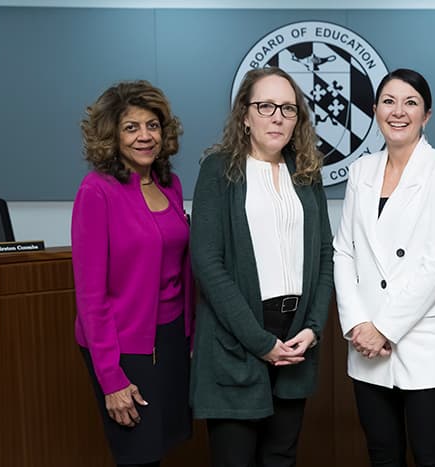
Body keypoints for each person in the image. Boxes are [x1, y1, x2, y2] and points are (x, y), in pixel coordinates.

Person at [189, 66, 333, 467]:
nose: (277, 116)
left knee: (281, 458)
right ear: (245, 115)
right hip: (239, 344)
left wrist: (313, 328)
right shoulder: (219, 170)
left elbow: (324, 255)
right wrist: (260, 342)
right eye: (265, 105)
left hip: (296, 343)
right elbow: (207, 263)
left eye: (288, 108)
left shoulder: (306, 173)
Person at [334, 68, 435, 467]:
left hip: (420, 340)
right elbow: (344, 251)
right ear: (375, 110)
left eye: (411, 103)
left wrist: (384, 329)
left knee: (430, 456)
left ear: (426, 115)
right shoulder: (361, 171)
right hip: (365, 343)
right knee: (382, 454)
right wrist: (359, 324)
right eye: (390, 102)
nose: (399, 111)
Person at [72, 80, 194, 467]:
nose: (145, 136)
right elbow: (91, 297)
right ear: (112, 135)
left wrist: (189, 338)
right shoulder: (96, 191)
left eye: (152, 126)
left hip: (172, 338)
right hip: (123, 347)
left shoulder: (169, 183)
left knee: (161, 447)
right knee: (137, 455)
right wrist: (110, 378)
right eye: (131, 127)